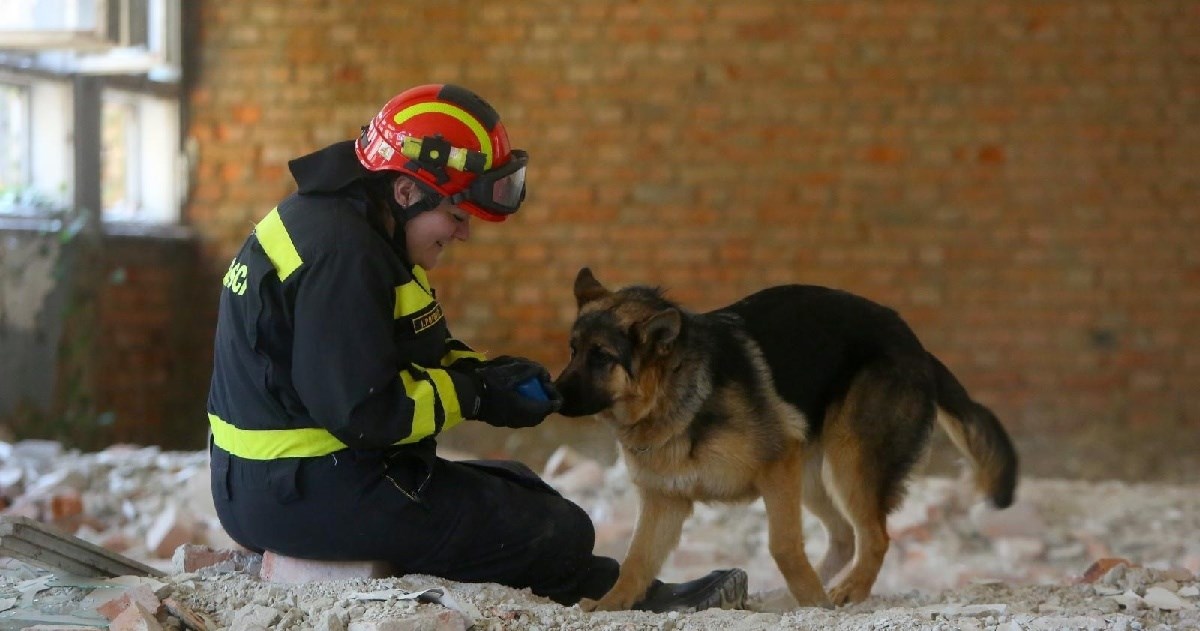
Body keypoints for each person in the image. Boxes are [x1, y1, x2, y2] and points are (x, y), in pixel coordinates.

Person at [206, 83, 747, 611]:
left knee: (524, 489)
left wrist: (490, 374)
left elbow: (397, 347)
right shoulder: (346, 256)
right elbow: (366, 411)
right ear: (407, 191)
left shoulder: (354, 225)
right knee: (554, 528)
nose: (462, 234)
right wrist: (476, 396)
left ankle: (613, 591)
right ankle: (631, 600)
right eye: (457, 216)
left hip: (287, 481)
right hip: (301, 492)